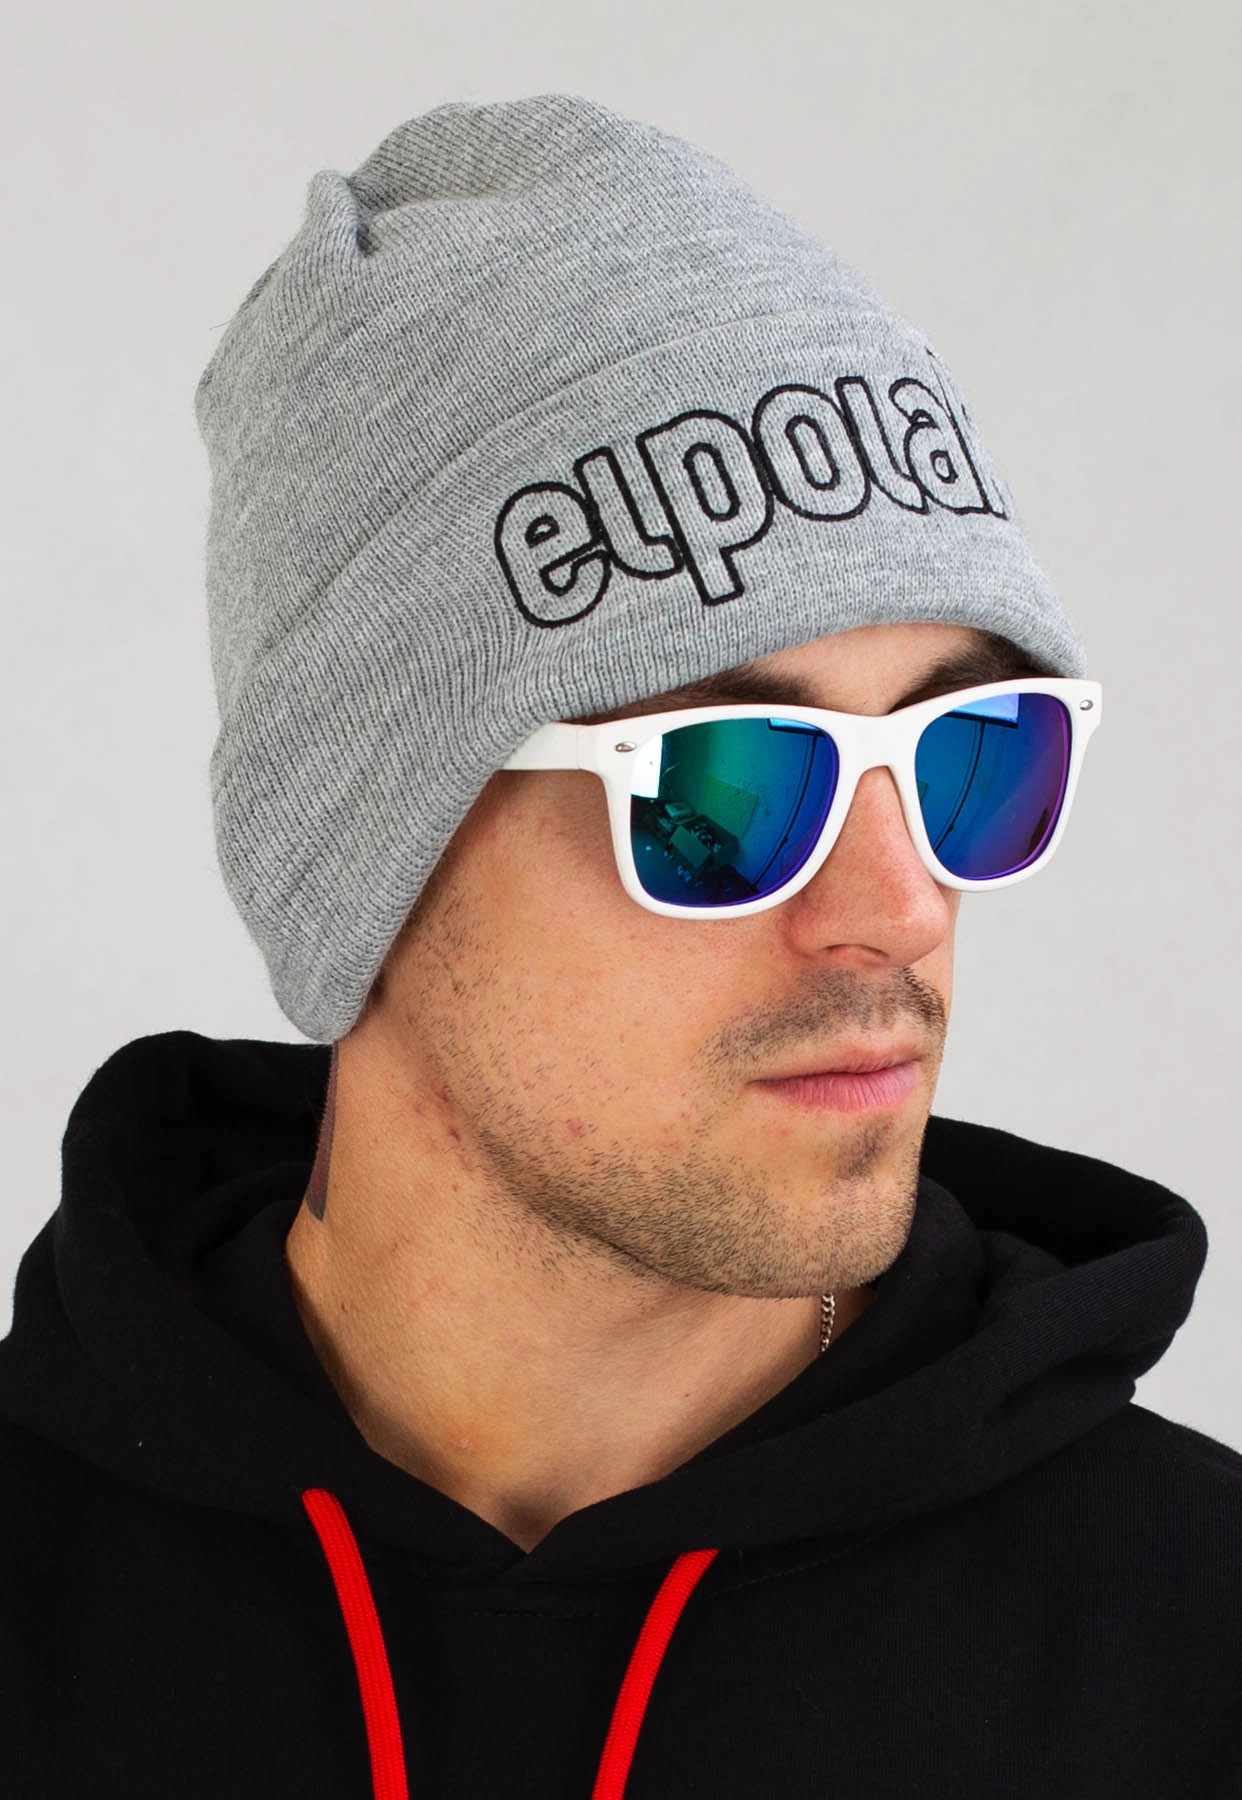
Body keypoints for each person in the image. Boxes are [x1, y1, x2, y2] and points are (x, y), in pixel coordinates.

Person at [0, 92, 1237, 1800]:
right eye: (724, 784)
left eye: (973, 754)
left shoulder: (1190, 1649)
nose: (897, 910)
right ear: (361, 844)